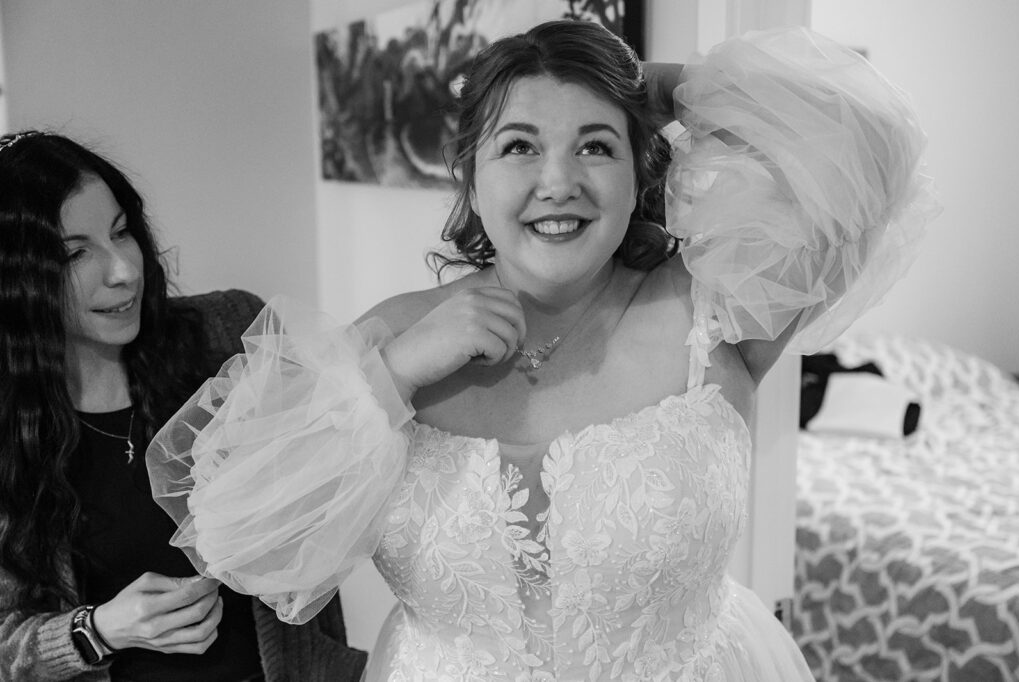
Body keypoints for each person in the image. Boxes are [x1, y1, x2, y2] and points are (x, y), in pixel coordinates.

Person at [147, 20, 935, 681]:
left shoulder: (717, 307)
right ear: (471, 175)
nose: (558, 180)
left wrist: (659, 88)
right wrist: (394, 377)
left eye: (596, 147)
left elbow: (870, 147)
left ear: (640, 169)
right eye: (519, 146)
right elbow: (238, 537)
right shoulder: (394, 332)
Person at [0, 131, 367, 681]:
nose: (124, 269)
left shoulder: (229, 333)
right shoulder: (9, 424)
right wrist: (94, 631)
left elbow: (342, 480)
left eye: (121, 232)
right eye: (75, 253)